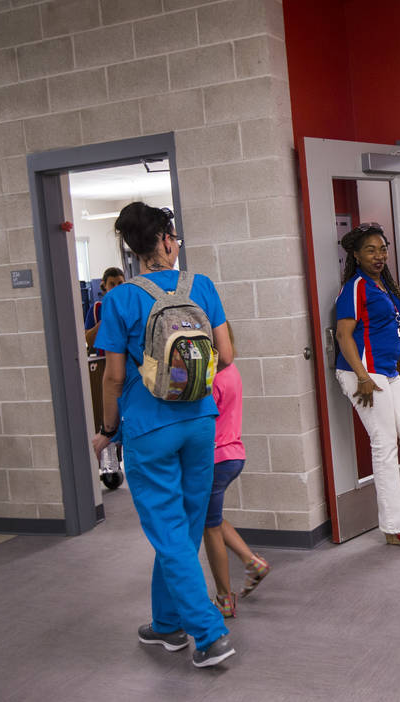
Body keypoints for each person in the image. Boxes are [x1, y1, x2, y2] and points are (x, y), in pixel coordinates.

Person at [91, 203, 236, 668]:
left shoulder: (118, 300)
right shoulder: (203, 286)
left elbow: (112, 379)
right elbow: (227, 356)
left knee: (170, 532)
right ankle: (167, 623)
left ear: (132, 249)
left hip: (149, 428)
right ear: (167, 240)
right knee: (186, 527)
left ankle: (208, 634)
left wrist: (109, 430)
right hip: (200, 421)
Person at [334, 222, 400, 546]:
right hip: (362, 374)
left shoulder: (382, 285)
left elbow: (383, 325)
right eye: (370, 250)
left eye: (382, 249)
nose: (379, 255)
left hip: (386, 371)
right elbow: (343, 335)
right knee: (384, 444)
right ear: (356, 254)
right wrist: (363, 377)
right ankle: (394, 526)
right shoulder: (356, 286)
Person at [201, 321, 270, 618]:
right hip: (233, 456)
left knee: (210, 528)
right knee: (211, 518)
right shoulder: (231, 371)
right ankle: (252, 562)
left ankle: (224, 600)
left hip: (216, 459)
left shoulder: (212, 377)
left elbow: (202, 423)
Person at [84, 267, 125, 351]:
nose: (116, 288)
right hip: (104, 360)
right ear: (104, 286)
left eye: (120, 283)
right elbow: (89, 341)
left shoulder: (132, 307)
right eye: (112, 284)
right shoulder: (96, 309)